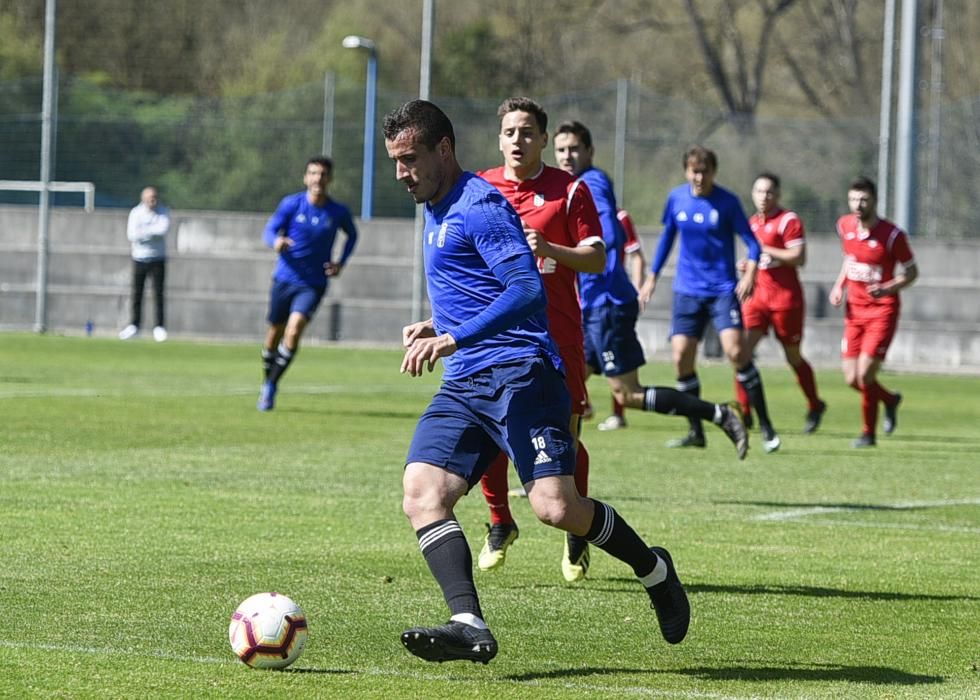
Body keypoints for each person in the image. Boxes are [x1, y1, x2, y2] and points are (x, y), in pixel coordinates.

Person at [384, 99, 690, 664]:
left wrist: (452, 337)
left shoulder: (480, 205)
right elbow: (475, 286)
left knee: (555, 508)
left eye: (410, 160)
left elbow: (526, 291)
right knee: (422, 495)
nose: (402, 174)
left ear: (443, 150)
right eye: (396, 162)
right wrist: (438, 323)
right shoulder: (433, 203)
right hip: (466, 382)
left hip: (523, 373)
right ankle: (468, 623)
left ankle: (654, 569)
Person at [553, 122, 748, 454]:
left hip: (607, 304)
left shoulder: (591, 183)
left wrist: (576, 254)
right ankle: (557, 479)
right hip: (592, 305)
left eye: (574, 149)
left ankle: (719, 413)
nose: (567, 156)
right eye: (561, 150)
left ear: (589, 152)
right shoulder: (576, 184)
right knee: (565, 388)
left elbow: (608, 236)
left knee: (626, 395)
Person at [475, 97, 605, 583]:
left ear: (543, 139)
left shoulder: (569, 191)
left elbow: (596, 258)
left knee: (565, 441)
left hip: (558, 335)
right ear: (500, 137)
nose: (517, 140)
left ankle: (577, 528)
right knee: (492, 431)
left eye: (527, 132)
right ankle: (499, 522)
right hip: (498, 334)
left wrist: (549, 247)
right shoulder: (482, 189)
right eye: (509, 132)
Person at [639, 145, 781, 454]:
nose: (699, 176)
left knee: (736, 352)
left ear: (713, 173)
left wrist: (750, 274)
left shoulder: (727, 202)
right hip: (687, 290)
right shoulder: (676, 198)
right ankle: (695, 430)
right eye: (694, 171)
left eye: (704, 171)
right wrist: (651, 276)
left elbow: (752, 244)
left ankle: (767, 426)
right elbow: (667, 239)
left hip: (721, 290)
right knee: (681, 358)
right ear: (686, 171)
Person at [256, 156, 357, 411]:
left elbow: (352, 235)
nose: (318, 179)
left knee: (294, 329)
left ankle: (270, 387)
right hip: (284, 280)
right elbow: (269, 231)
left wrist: (340, 262)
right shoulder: (292, 204)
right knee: (273, 336)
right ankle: (268, 380)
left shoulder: (337, 212)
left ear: (330, 179)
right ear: (306, 177)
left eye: (323, 174)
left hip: (312, 284)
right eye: (313, 173)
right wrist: (275, 242)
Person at [829, 176, 917, 447]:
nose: (858, 204)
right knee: (851, 378)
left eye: (864, 199)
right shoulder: (844, 226)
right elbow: (850, 259)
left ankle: (868, 433)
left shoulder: (892, 235)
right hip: (854, 312)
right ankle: (889, 400)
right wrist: (839, 285)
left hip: (882, 311)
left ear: (875, 201)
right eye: (854, 199)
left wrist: (888, 288)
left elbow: (912, 272)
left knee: (865, 374)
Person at [738, 173, 827, 433]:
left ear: (777, 195)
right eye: (759, 191)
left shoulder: (788, 220)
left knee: (792, 356)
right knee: (740, 352)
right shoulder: (751, 223)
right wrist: (747, 266)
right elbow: (757, 260)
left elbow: (798, 257)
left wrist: (764, 250)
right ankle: (744, 412)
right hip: (756, 299)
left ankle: (815, 404)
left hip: (785, 300)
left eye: (769, 192)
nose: (763, 197)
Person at [594, 208, 646, 431]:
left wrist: (637, 289)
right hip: (588, 302)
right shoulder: (575, 212)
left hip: (611, 301)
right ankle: (578, 406)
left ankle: (617, 414)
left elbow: (636, 255)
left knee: (616, 365)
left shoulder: (620, 217)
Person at [119, 186, 170, 342]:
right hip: (139, 258)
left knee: (158, 294)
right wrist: (149, 232)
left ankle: (159, 327)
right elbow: (132, 235)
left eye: (154, 197)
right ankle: (134, 326)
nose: (152, 201)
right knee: (137, 293)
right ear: (143, 199)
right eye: (149, 198)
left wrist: (144, 232)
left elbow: (162, 230)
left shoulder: (163, 211)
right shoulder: (136, 213)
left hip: (157, 258)